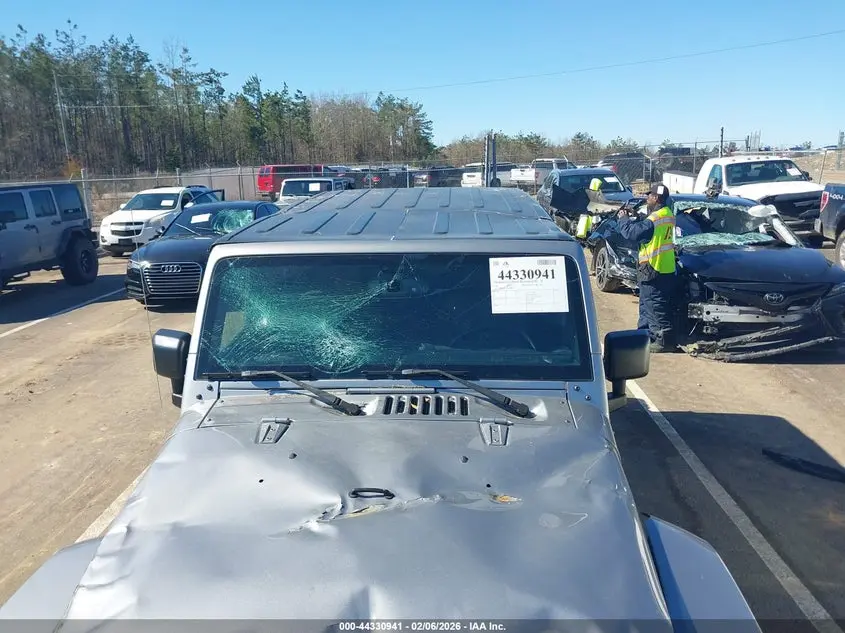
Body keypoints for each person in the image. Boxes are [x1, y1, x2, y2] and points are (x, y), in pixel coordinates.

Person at [615, 183, 677, 353]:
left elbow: (632, 233)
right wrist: (637, 216)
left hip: (653, 268)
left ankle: (662, 341)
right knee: (646, 304)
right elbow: (648, 229)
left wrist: (623, 219)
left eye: (650, 195)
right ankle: (644, 335)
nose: (647, 198)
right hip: (664, 267)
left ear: (656, 198)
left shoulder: (655, 219)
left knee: (654, 305)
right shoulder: (667, 214)